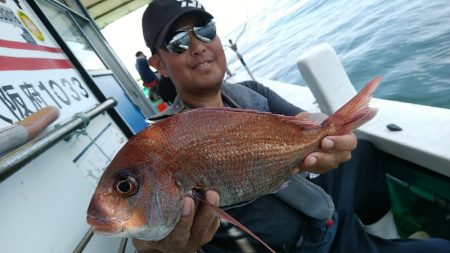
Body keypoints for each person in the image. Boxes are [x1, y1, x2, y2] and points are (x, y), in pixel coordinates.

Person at [134, 1, 450, 252]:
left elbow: (309, 127)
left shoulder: (252, 91)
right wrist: (153, 246)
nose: (198, 45)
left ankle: (385, 240)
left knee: (363, 152)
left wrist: (331, 139)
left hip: (323, 216)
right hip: (301, 245)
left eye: (205, 29)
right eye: (177, 43)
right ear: (158, 64)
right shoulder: (163, 142)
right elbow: (149, 230)